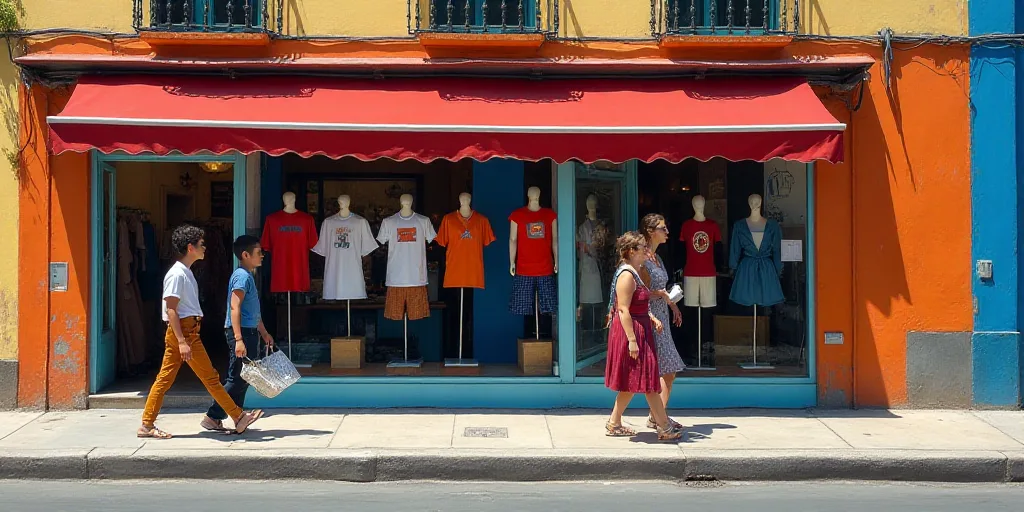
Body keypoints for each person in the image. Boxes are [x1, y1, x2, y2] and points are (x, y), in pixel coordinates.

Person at [138, 225, 261, 439]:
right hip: (185, 333)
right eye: (202, 244)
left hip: (188, 332)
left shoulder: (185, 273)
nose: (205, 248)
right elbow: (171, 309)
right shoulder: (177, 274)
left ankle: (147, 424)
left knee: (166, 379)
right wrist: (182, 341)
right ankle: (237, 415)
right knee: (210, 378)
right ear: (190, 247)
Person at [603, 231, 683, 441]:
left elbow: (637, 303)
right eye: (642, 248)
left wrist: (651, 317)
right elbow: (623, 310)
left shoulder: (635, 272)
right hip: (633, 333)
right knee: (649, 379)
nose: (646, 251)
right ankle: (664, 427)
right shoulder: (627, 275)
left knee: (632, 380)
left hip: (641, 329)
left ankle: (614, 422)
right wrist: (631, 341)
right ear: (631, 251)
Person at [201, 235, 273, 432]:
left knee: (245, 377)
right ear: (245, 254)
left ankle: (238, 417)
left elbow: (252, 312)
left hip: (249, 332)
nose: (262, 256)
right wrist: (239, 339)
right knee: (236, 378)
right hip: (242, 334)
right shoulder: (242, 276)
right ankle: (213, 416)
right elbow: (235, 307)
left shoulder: (247, 276)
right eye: (259, 253)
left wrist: (264, 333)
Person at [640, 214, 686, 430]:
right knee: (664, 369)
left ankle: (657, 416)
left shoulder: (657, 258)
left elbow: (660, 291)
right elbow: (639, 293)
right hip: (651, 317)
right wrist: (662, 296)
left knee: (667, 369)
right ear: (651, 231)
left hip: (662, 316)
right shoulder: (643, 260)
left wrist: (672, 303)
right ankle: (659, 418)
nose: (667, 232)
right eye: (662, 228)